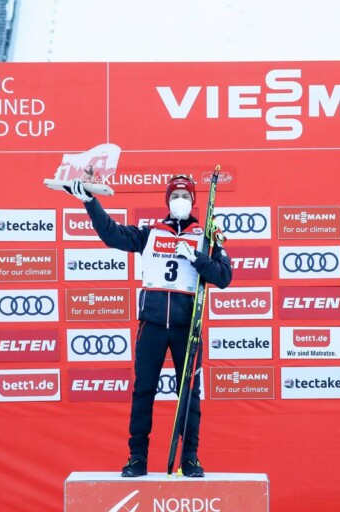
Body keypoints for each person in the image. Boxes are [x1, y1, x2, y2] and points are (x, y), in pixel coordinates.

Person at [65, 174, 232, 477]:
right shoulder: (150, 233)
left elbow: (223, 277)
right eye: (174, 197)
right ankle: (137, 457)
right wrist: (90, 202)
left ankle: (190, 458)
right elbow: (111, 235)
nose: (179, 201)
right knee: (143, 391)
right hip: (153, 324)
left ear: (193, 201)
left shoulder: (207, 235)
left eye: (184, 197)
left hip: (186, 326)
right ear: (167, 201)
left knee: (190, 393)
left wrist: (196, 258)